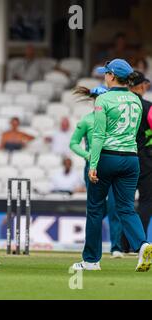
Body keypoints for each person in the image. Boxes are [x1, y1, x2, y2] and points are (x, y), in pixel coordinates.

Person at [72, 59, 152, 272]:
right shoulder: (136, 100)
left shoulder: (104, 99)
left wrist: (93, 163)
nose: (104, 76)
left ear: (112, 76)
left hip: (108, 157)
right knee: (126, 208)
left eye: (106, 73)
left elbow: (98, 135)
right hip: (131, 159)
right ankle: (142, 244)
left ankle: (90, 260)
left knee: (96, 209)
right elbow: (135, 132)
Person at [70, 85, 124, 258]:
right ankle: (93, 249)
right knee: (95, 208)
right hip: (93, 167)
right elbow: (73, 143)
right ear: (94, 100)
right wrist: (88, 156)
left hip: (110, 163)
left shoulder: (114, 120)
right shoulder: (86, 120)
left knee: (114, 205)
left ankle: (116, 247)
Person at [130, 72, 152, 240]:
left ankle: (122, 244)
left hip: (123, 155)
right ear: (143, 85)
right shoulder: (148, 106)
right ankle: (138, 243)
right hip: (145, 159)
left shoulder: (122, 105)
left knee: (124, 204)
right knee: (145, 201)